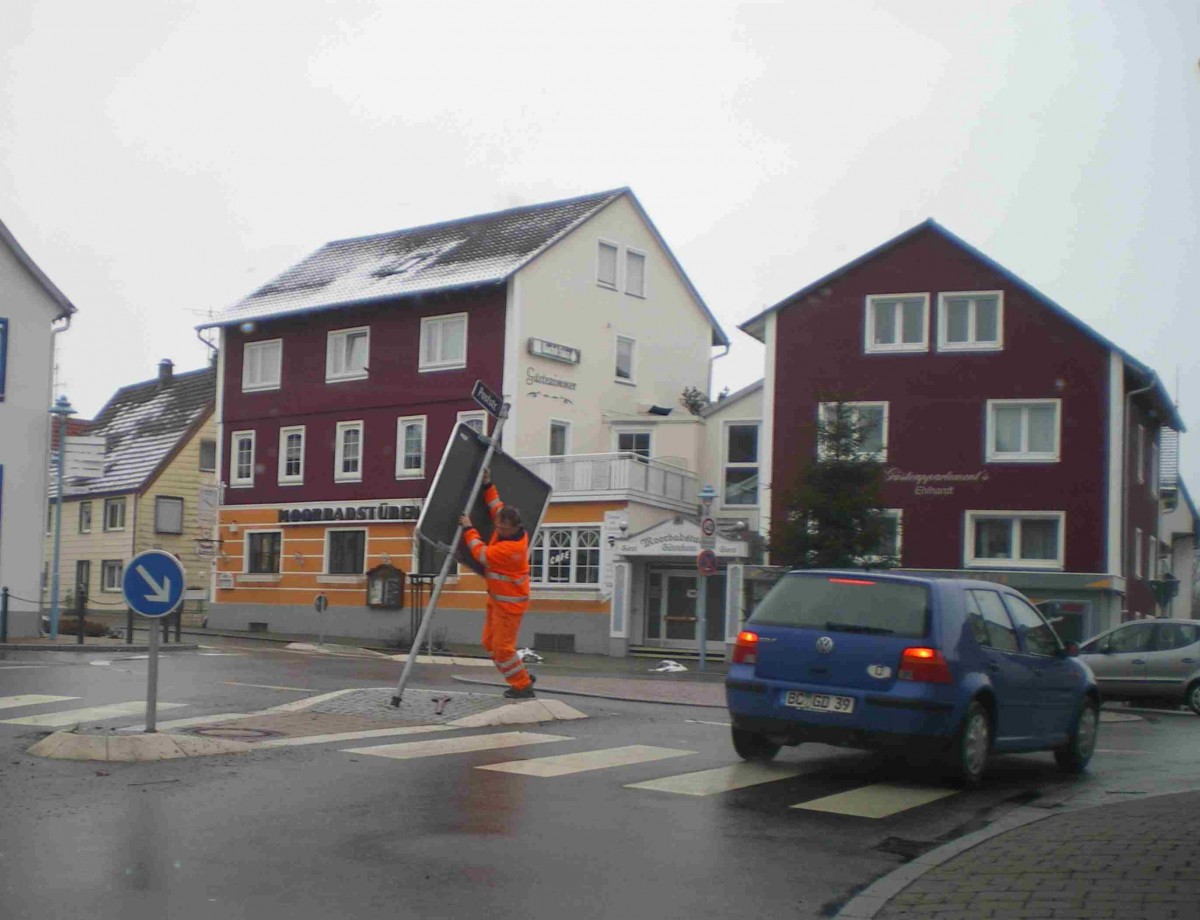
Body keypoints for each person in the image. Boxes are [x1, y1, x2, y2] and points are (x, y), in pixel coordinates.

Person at [459, 469, 536, 699]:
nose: (498, 531)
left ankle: (522, 686)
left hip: (510, 607)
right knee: (489, 643)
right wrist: (487, 483)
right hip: (497, 599)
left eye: (503, 529)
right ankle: (521, 675)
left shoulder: (511, 549)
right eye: (498, 527)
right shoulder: (508, 529)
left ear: (515, 527)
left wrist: (468, 527)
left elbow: (481, 553)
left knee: (502, 649)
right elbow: (495, 505)